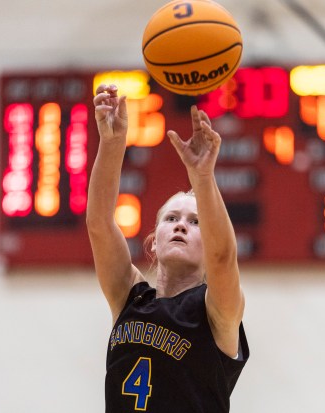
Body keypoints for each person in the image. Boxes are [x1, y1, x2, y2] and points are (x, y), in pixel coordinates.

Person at [87, 83, 249, 412]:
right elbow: (100, 225)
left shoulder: (217, 311)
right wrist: (113, 142)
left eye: (195, 222)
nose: (180, 225)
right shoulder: (128, 297)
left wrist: (202, 177)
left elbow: (223, 257)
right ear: (154, 241)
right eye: (171, 217)